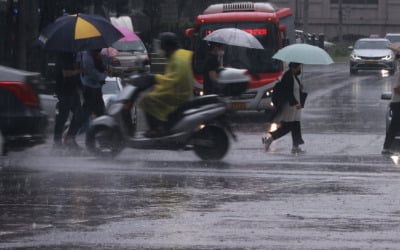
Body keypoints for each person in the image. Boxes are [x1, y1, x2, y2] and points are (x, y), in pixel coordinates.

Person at [138, 32, 193, 138]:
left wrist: (155, 78)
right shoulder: (176, 56)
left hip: (178, 93)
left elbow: (173, 79)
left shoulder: (178, 59)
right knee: (153, 94)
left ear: (168, 46)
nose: (160, 49)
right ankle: (162, 126)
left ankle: (157, 129)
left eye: (162, 46)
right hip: (177, 90)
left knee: (148, 99)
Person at [65, 49, 108, 146]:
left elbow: (100, 68)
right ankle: (72, 137)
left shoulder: (94, 55)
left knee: (99, 113)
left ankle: (99, 140)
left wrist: (103, 63)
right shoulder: (87, 57)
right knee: (86, 113)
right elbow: (93, 74)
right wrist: (105, 74)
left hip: (95, 87)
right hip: (90, 88)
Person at [262, 62, 305, 154]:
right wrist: (295, 103)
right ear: (294, 67)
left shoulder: (293, 75)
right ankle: (271, 138)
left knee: (295, 125)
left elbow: (294, 89)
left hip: (295, 106)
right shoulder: (288, 77)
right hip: (291, 106)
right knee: (288, 126)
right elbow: (288, 92)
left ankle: (295, 146)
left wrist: (299, 87)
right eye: (299, 66)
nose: (300, 68)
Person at [53, 52, 83, 148]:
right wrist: (79, 70)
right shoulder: (63, 56)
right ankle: (57, 142)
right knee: (63, 116)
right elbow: (65, 73)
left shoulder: (75, 57)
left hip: (73, 91)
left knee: (78, 114)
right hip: (64, 91)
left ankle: (70, 138)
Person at [382, 77, 400, 155]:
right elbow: (396, 89)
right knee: (394, 126)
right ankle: (386, 148)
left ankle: (386, 148)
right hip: (398, 104)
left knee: (394, 126)